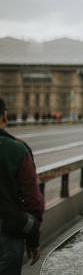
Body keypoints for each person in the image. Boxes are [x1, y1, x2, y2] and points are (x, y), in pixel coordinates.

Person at [0, 98, 44, 273]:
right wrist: (33, 239)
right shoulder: (17, 149)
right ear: (5, 116)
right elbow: (33, 200)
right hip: (8, 230)